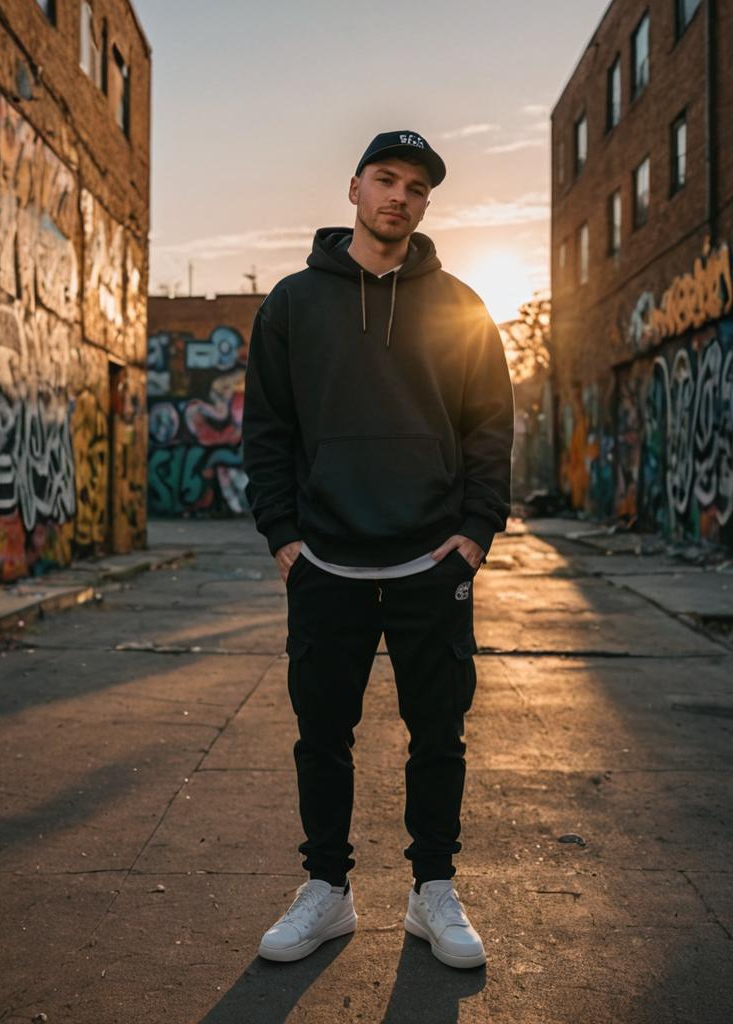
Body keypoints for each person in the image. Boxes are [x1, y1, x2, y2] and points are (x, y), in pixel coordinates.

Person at [241, 130, 514, 969]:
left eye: (417, 187)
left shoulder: (462, 304)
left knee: (439, 734)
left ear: (427, 205)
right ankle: (327, 891)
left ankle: (434, 891)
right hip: (325, 562)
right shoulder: (292, 303)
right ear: (354, 187)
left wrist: (475, 535)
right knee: (322, 733)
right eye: (386, 179)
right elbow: (268, 430)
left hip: (433, 561)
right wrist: (285, 538)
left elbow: (489, 430)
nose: (400, 196)